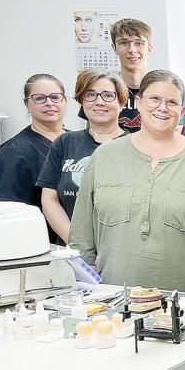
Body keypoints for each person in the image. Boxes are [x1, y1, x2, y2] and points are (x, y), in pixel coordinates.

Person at [70, 70, 185, 292]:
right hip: (112, 300)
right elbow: (81, 236)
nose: (162, 108)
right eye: (154, 99)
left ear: (182, 111)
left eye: (172, 102)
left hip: (184, 303)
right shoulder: (105, 156)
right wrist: (91, 291)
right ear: (139, 103)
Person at [37, 70, 128, 244]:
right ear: (81, 101)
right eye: (91, 95)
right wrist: (77, 244)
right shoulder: (64, 143)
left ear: (121, 102)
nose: (99, 102)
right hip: (72, 253)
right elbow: (49, 200)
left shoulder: (135, 145)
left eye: (108, 95)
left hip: (120, 250)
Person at [0, 74, 67, 208]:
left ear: (64, 100)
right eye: (39, 98)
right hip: (43, 228)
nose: (49, 103)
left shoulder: (77, 142)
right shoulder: (12, 153)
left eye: (55, 97)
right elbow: (7, 212)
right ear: (27, 104)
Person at [85, 18, 153, 133]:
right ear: (114, 48)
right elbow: (93, 134)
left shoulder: (161, 89)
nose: (132, 50)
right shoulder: (102, 89)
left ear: (150, 47)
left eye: (139, 43)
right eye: (124, 43)